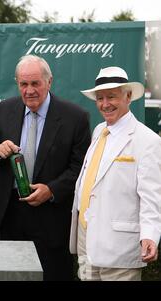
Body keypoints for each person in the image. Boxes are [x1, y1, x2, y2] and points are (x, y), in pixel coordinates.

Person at [0, 55, 91, 280]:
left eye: (35, 83)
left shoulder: (76, 117)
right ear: (17, 83)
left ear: (49, 81)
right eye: (23, 84)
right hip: (11, 215)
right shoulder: (3, 110)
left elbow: (80, 168)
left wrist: (51, 190)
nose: (29, 90)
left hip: (53, 219)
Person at [69, 66, 161, 281]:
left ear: (128, 96)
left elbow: (152, 197)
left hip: (120, 249)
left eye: (111, 96)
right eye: (100, 98)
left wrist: (150, 235)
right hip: (87, 242)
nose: (105, 104)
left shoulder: (148, 141)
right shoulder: (99, 130)